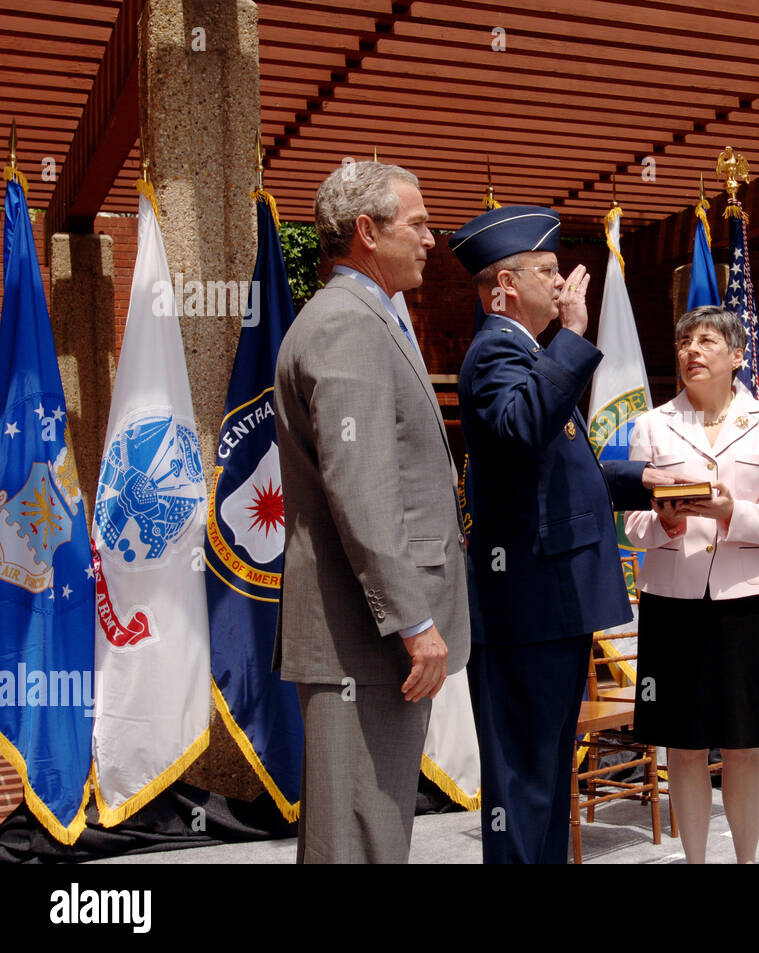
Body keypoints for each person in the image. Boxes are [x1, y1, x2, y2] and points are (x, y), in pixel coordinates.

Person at [451, 204, 680, 864]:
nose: (562, 284)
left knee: (547, 780)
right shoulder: (496, 353)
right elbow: (524, 429)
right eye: (547, 271)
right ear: (504, 287)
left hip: (549, 605)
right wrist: (575, 339)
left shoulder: (528, 354)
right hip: (524, 607)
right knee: (523, 785)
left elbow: (565, 472)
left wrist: (648, 481)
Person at [274, 161, 470, 863]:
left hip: (368, 637)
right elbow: (360, 489)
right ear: (366, 231)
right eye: (417, 224)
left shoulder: (360, 316)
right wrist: (414, 620)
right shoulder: (348, 326)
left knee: (363, 836)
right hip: (366, 638)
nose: (429, 239)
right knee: (359, 842)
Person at [622, 305, 759, 864]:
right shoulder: (653, 424)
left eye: (706, 342)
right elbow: (632, 522)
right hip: (674, 604)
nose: (691, 351)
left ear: (737, 355)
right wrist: (665, 522)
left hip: (746, 603)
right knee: (684, 743)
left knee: (744, 744)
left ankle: (746, 860)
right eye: (683, 343)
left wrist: (730, 511)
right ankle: (695, 861)